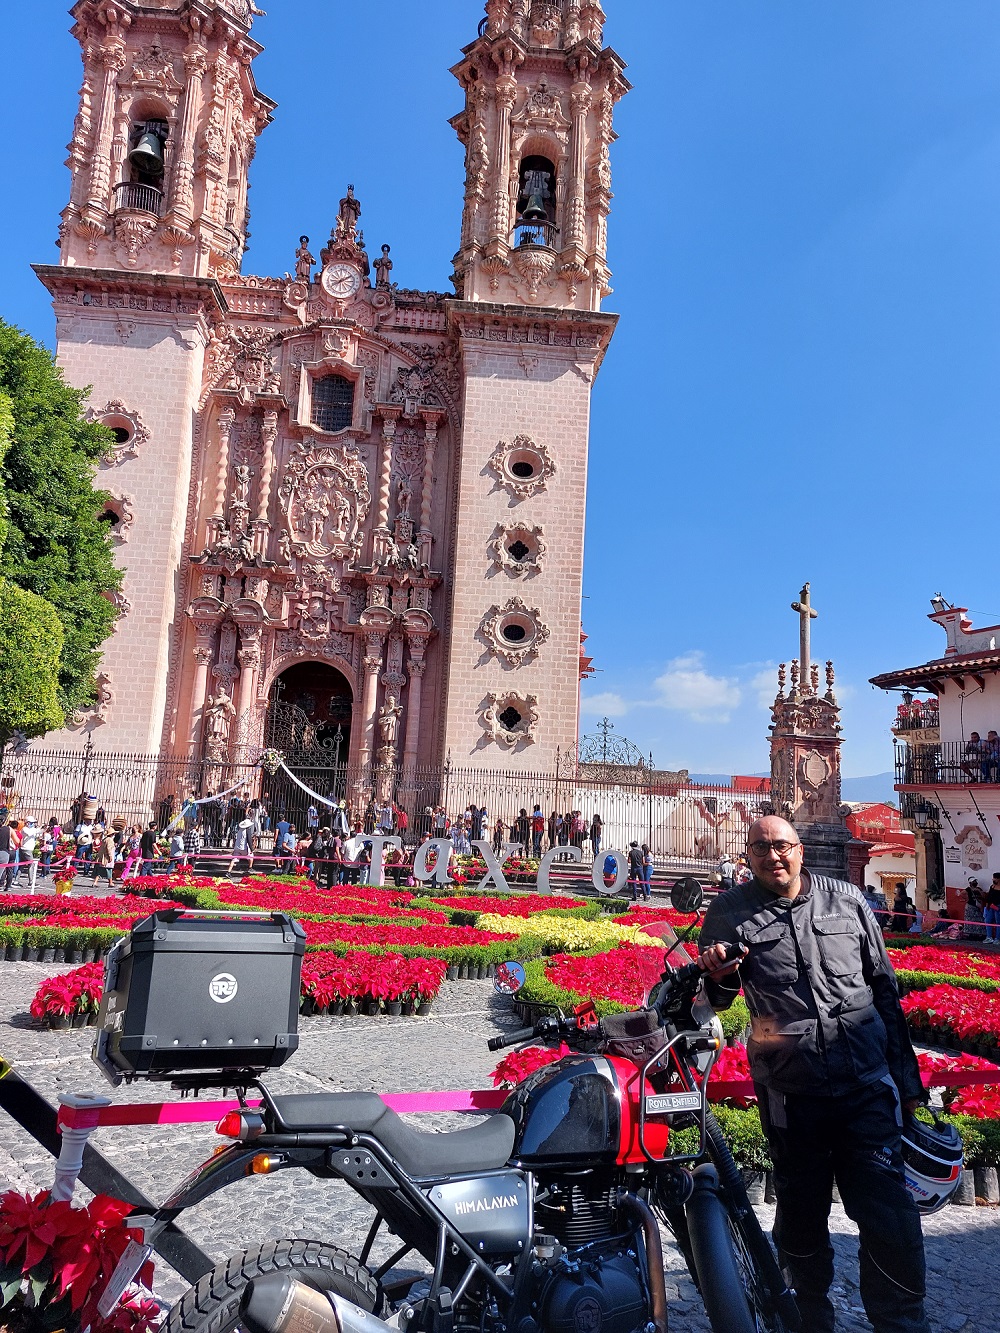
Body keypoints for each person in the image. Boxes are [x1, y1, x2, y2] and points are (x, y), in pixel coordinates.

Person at [699, 816, 929, 1333]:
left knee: (891, 1222)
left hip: (865, 1090)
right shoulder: (728, 912)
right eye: (759, 848)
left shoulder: (847, 901)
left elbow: (885, 993)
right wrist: (717, 978)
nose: (772, 855)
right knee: (800, 1227)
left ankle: (903, 1325)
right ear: (747, 855)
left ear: (799, 850)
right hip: (792, 1098)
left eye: (781, 845)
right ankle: (806, 1324)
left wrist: (908, 1087)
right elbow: (713, 1001)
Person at [983, 873, 1000, 944]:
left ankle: (998, 938)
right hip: (990, 907)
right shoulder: (992, 887)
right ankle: (989, 937)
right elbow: (989, 896)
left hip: (998, 907)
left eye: (995, 878)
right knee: (988, 921)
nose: (993, 879)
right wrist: (987, 904)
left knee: (998, 923)